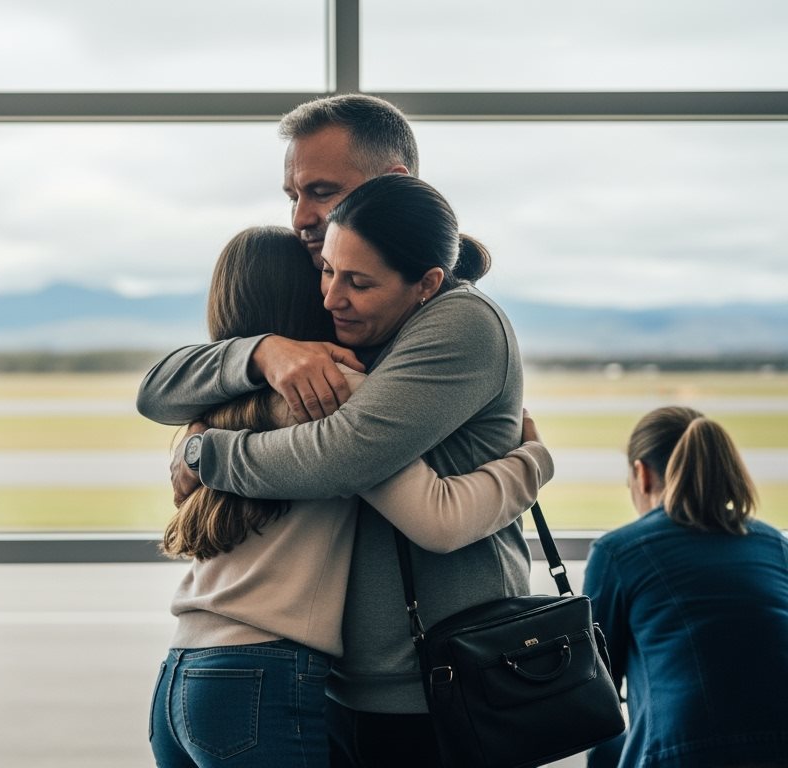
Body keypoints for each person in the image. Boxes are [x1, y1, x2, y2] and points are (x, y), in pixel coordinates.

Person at [138, 95, 529, 767]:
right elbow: (156, 389)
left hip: (442, 684)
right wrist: (260, 352)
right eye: (292, 194)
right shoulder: (348, 317)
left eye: (321, 191)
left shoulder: (454, 322)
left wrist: (206, 452)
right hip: (346, 681)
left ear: (395, 185)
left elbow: (344, 455)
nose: (300, 219)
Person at [582, 407, 788, 768]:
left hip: (683, 755)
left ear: (641, 474)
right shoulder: (773, 544)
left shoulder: (619, 552)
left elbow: (598, 691)